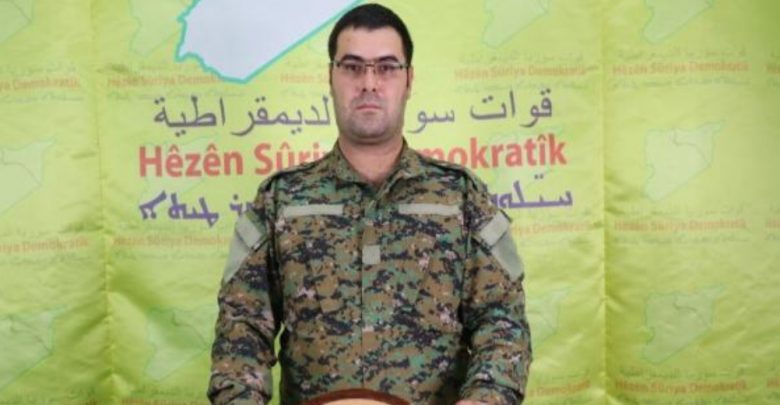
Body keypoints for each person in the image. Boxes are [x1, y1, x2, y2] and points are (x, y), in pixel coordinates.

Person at [208, 4, 531, 405]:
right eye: (352, 67)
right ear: (330, 77)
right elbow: (241, 329)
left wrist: (483, 400)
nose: (369, 83)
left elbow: (502, 323)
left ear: (409, 79)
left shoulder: (461, 198)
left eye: (387, 67)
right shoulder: (281, 200)